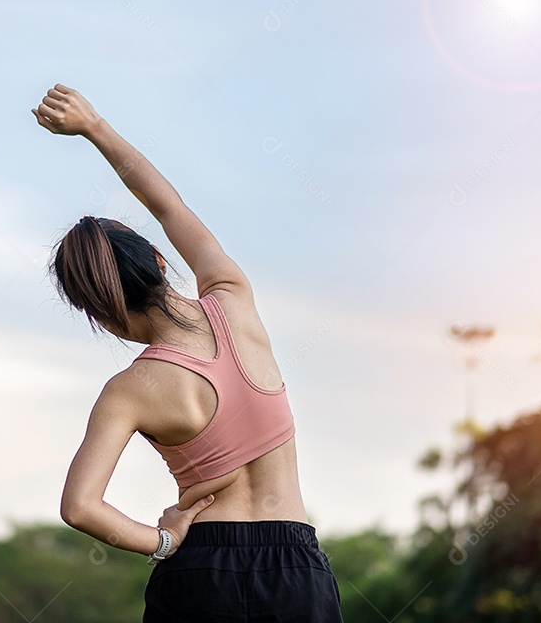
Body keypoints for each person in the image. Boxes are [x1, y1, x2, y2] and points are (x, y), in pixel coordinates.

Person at [32, 83, 344, 622]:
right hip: (294, 570)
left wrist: (159, 541)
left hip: (198, 572)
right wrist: (94, 126)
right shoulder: (232, 298)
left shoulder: (128, 390)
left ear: (99, 313)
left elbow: (79, 507)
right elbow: (165, 203)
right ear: (156, 258)